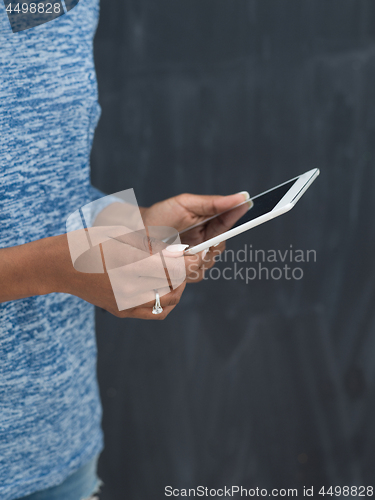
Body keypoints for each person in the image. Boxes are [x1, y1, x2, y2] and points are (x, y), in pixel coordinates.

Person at [0, 1, 249, 499]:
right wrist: (64, 265)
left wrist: (129, 234)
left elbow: (42, 191)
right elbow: (55, 257)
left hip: (61, 444)